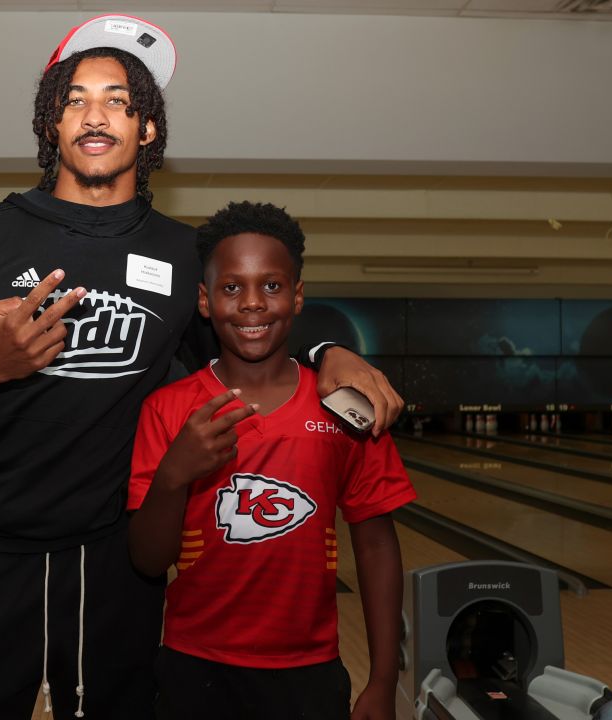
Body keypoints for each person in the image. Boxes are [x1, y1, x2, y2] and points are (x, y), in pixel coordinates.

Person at [0, 15, 403, 720]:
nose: (95, 113)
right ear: (51, 125)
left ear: (148, 129)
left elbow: (248, 329)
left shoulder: (180, 254)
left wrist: (328, 351)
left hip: (115, 562)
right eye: (74, 98)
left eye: (119, 99)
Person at [127, 201, 417, 720]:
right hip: (194, 668)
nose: (253, 304)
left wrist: (382, 679)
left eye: (273, 286)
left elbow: (375, 546)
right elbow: (148, 561)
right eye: (232, 287)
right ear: (204, 300)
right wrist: (174, 474)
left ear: (298, 296)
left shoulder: (346, 409)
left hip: (308, 673)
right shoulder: (167, 409)